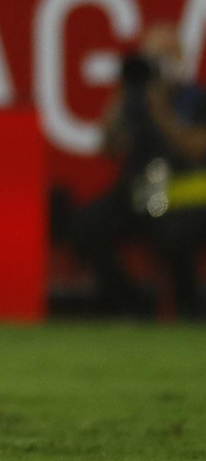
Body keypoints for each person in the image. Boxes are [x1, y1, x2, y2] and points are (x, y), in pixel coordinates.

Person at [68, 23, 206, 317]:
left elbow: (195, 149)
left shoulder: (195, 98)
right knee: (85, 227)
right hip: (138, 191)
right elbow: (107, 147)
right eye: (149, 55)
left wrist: (161, 112)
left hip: (177, 195)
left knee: (175, 235)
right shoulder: (132, 98)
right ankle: (128, 301)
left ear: (179, 59)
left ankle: (188, 305)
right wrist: (122, 96)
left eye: (164, 55)